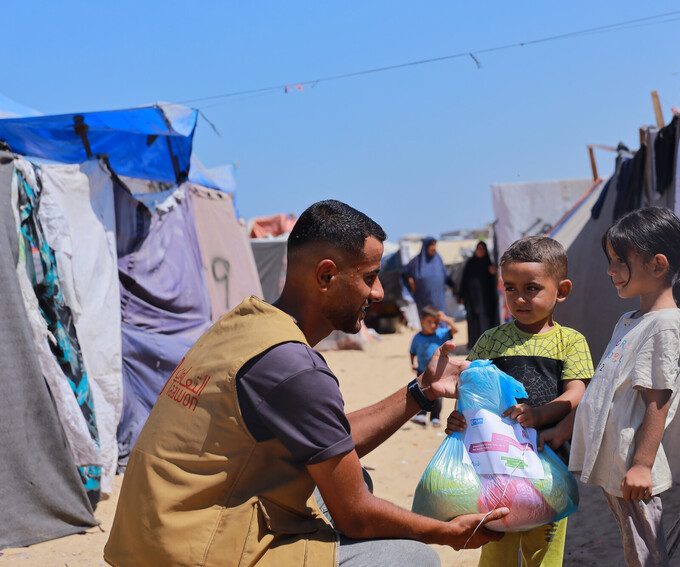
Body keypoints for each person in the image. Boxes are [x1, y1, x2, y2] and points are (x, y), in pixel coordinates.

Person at [104, 200, 509, 567]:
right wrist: (448, 534)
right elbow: (357, 514)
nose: (380, 292)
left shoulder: (244, 326)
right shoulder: (294, 367)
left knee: (349, 479)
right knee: (412, 558)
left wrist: (421, 391)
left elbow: (328, 438)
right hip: (189, 553)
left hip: (153, 538)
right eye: (369, 277)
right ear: (327, 275)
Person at [446, 235, 594, 567]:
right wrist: (458, 420)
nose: (519, 298)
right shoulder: (491, 341)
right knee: (496, 550)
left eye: (531, 288)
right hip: (495, 470)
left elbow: (576, 393)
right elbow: (472, 393)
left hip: (547, 467)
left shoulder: (569, 342)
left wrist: (541, 415)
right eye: (510, 288)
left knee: (543, 554)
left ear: (562, 290)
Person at [569, 207, 680, 567]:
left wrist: (642, 465)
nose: (611, 271)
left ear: (657, 264)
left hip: (633, 466)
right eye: (609, 260)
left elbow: (657, 401)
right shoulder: (631, 320)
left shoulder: (665, 326)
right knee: (636, 549)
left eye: (619, 261)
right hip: (617, 463)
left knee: (646, 555)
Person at [409, 306, 457, 427]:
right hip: (421, 371)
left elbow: (455, 329)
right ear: (422, 321)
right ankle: (421, 415)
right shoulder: (417, 338)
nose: (433, 325)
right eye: (429, 322)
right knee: (421, 393)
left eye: (436, 323)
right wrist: (412, 363)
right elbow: (412, 351)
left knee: (437, 394)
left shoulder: (441, 334)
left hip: (439, 372)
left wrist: (446, 319)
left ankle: (435, 418)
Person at [458, 241, 499, 349]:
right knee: (473, 322)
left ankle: (487, 345)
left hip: (486, 301)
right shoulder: (470, 263)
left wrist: (493, 274)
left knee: (485, 321)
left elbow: (494, 284)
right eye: (478, 249)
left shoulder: (488, 264)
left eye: (482, 249)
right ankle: (474, 345)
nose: (480, 251)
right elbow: (463, 280)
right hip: (471, 300)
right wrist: (461, 296)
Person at [403, 236, 453, 313]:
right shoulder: (416, 262)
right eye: (431, 245)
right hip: (424, 301)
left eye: (435, 245)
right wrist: (410, 282)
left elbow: (446, 276)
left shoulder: (438, 259)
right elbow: (405, 273)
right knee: (428, 321)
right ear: (425, 246)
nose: (434, 248)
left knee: (441, 319)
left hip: (439, 299)